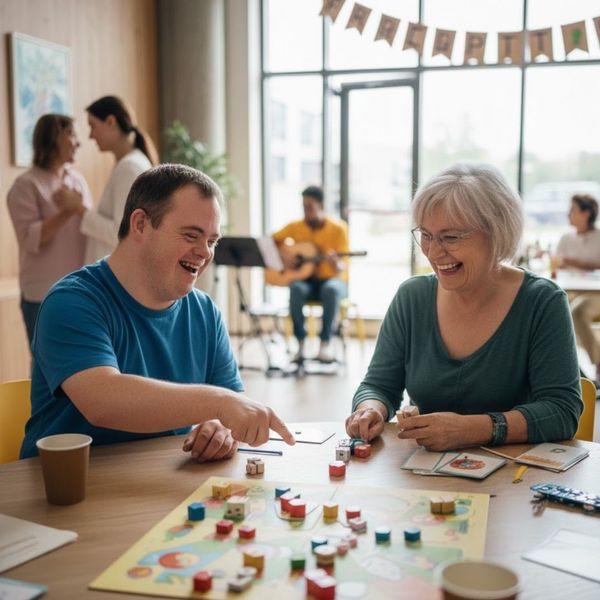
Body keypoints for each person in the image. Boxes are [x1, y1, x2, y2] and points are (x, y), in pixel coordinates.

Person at [20, 164, 295, 459]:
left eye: (212, 241)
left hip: (162, 480)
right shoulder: (72, 301)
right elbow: (102, 400)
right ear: (140, 224)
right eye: (191, 236)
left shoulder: (205, 312)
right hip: (68, 490)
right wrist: (219, 403)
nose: (205, 253)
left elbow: (229, 408)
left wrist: (218, 429)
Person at [346, 162, 582, 451]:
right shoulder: (412, 297)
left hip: (515, 481)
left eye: (450, 237)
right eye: (426, 235)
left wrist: (474, 428)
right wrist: (370, 409)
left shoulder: (542, 302)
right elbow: (379, 385)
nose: (433, 252)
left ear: (496, 232)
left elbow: (562, 411)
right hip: (424, 478)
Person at [7, 114, 92, 346]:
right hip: (42, 296)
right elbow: (30, 240)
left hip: (80, 291)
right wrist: (66, 211)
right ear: (53, 138)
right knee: (45, 366)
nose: (78, 142)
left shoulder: (78, 181)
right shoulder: (26, 185)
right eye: (72, 135)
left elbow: (90, 228)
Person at [56, 95, 158, 264]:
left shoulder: (129, 168)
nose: (90, 136)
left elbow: (120, 232)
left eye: (93, 126)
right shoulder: (130, 164)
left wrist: (79, 209)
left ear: (111, 122)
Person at [272, 186, 349, 363]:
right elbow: (271, 241)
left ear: (321, 205)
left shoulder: (338, 229)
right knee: (296, 288)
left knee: (331, 290)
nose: (306, 212)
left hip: (332, 280)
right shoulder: (295, 227)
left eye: (310, 207)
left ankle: (325, 345)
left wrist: (335, 263)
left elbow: (342, 267)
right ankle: (300, 345)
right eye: (304, 207)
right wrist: (286, 257)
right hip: (306, 281)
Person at [554, 194, 600, 381]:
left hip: (595, 295)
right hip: (570, 291)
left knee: (577, 312)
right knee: (554, 311)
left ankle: (597, 363)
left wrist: (573, 262)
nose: (568, 214)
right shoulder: (566, 238)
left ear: (586, 213)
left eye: (572, 210)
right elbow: (556, 266)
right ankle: (567, 372)